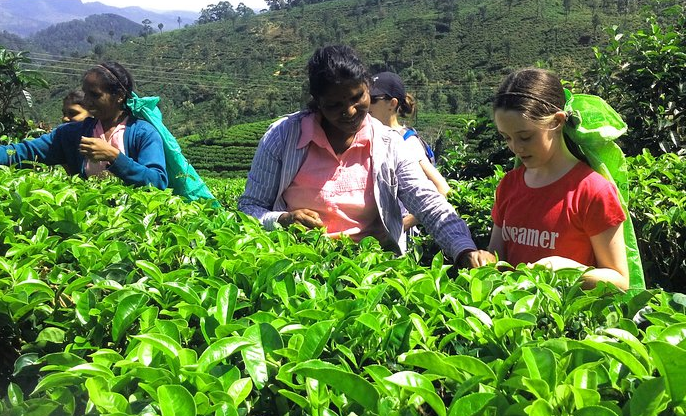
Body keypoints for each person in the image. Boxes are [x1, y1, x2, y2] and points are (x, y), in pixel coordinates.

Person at [238, 45, 493, 266]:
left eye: (357, 97)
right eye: (334, 105)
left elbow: (428, 203)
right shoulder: (283, 137)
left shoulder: (388, 144)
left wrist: (464, 249)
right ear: (317, 101)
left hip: (371, 269)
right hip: (300, 267)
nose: (349, 111)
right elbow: (249, 207)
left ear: (367, 87)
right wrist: (283, 219)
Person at [487, 68, 629, 289]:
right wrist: (484, 262)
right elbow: (497, 257)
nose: (516, 148)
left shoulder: (592, 191)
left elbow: (619, 281)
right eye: (507, 138)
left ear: (558, 122)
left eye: (526, 136)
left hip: (568, 321)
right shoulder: (509, 185)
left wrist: (568, 271)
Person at [0, 62, 168, 189]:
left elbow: (157, 181)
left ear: (119, 96)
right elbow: (24, 151)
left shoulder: (143, 133)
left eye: (95, 95)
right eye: (86, 93)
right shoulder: (72, 133)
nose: (87, 102)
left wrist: (114, 157)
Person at [368, 71, 451, 231]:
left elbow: (443, 189)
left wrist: (404, 224)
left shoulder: (406, 142)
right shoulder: (374, 136)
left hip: (400, 236)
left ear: (392, 104)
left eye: (373, 99)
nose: (366, 104)